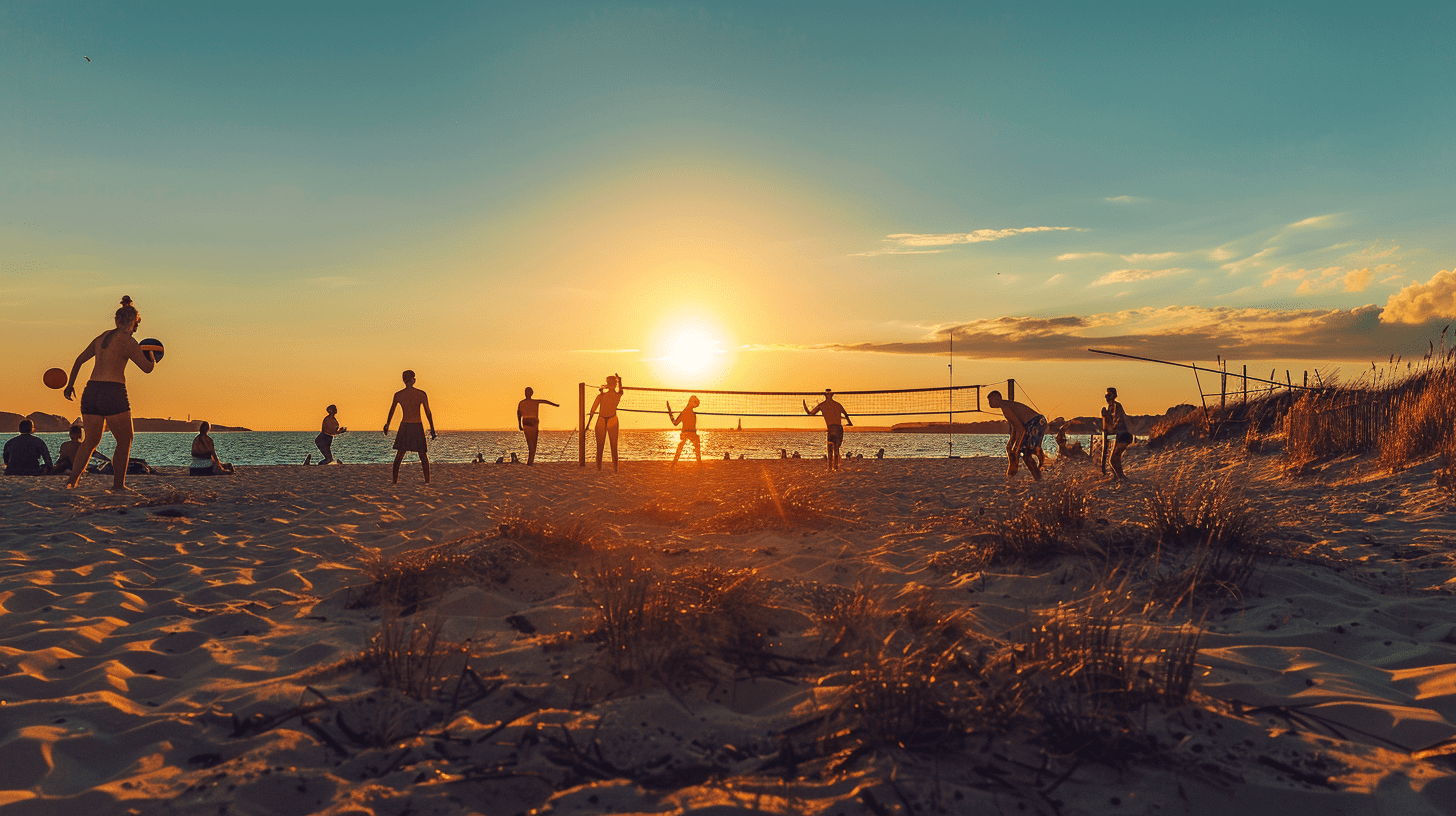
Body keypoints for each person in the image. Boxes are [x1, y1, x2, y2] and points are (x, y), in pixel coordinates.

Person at [63, 296, 157, 491]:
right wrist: (153, 358)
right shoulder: (129, 341)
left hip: (91, 391)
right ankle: (118, 485)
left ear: (117, 320)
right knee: (125, 440)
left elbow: (79, 360)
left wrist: (70, 385)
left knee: (90, 441)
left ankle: (72, 481)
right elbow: (147, 369)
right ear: (134, 322)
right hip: (112, 391)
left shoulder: (102, 337)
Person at [384, 370, 436, 484]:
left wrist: (387, 424)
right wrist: (432, 429)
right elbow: (428, 413)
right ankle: (427, 481)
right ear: (413, 380)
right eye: (413, 378)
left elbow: (391, 412)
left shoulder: (399, 395)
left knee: (400, 455)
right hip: (415, 426)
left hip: (406, 426)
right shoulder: (421, 394)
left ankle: (394, 481)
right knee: (422, 455)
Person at [987, 390, 1045, 481]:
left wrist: (1017, 447)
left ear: (997, 399)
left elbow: (1022, 429)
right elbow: (1015, 427)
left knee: (1025, 452)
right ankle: (1034, 472)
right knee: (1021, 450)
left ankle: (1038, 476)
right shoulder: (1005, 406)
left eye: (990, 401)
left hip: (1036, 422)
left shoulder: (1006, 407)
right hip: (1034, 423)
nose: (989, 403)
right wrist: (1011, 442)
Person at [804, 388, 852, 471]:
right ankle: (835, 467)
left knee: (830, 449)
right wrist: (849, 423)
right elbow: (846, 415)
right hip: (838, 428)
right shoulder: (838, 405)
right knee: (836, 449)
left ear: (824, 395)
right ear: (832, 395)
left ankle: (830, 467)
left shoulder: (822, 405)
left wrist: (805, 406)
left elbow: (810, 413)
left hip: (831, 428)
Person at [588, 373, 623, 472]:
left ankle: (606, 468)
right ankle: (610, 468)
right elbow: (593, 410)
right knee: (604, 446)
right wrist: (619, 380)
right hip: (603, 420)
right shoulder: (604, 395)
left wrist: (619, 381)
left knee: (609, 446)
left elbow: (592, 411)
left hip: (609, 420)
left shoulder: (605, 395)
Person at [517, 387, 559, 465]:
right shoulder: (525, 402)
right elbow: (519, 414)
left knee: (530, 444)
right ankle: (530, 461)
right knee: (532, 444)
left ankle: (530, 461)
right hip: (531, 422)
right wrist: (555, 405)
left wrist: (555, 405)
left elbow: (519, 414)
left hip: (527, 422)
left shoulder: (523, 402)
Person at [1102, 387, 1133, 481]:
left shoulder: (1116, 406)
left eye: (1109, 396)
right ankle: (1117, 477)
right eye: (1106, 396)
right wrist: (1104, 417)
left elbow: (1117, 420)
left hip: (1123, 435)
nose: (1107, 398)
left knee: (1113, 460)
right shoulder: (1110, 408)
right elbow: (1107, 427)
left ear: (1114, 396)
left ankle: (1121, 477)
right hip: (1119, 435)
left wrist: (1112, 427)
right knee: (1115, 459)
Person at [667, 395, 701, 463]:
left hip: (687, 433)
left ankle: (674, 463)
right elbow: (675, 423)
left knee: (681, 447)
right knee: (696, 448)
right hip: (689, 433)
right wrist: (670, 412)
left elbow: (675, 423)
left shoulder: (685, 413)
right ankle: (699, 464)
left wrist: (670, 413)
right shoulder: (689, 413)